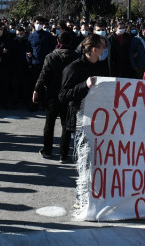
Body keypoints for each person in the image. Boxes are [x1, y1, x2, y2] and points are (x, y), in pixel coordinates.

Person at [58, 34, 107, 164]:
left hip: (98, 119)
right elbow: (63, 95)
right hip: (80, 119)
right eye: (102, 47)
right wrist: (84, 85)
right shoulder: (73, 68)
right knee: (85, 158)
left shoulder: (101, 66)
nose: (104, 50)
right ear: (94, 50)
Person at [33, 31, 78, 159]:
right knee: (66, 124)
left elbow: (44, 75)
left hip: (52, 93)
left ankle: (47, 150)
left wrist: (37, 90)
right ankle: (63, 154)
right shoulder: (76, 57)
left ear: (58, 42)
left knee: (49, 123)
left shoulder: (51, 56)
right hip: (69, 94)